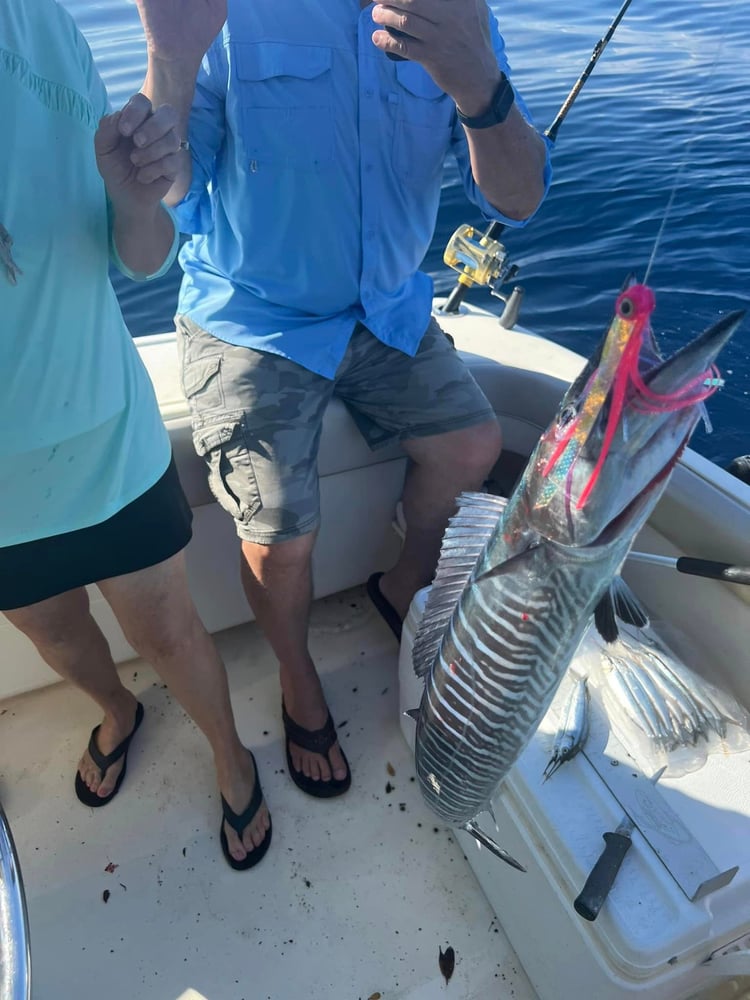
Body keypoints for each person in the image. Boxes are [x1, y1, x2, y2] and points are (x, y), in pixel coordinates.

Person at [135, 0, 551, 798]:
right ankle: (297, 676)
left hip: (387, 308)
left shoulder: (460, 11)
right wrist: (172, 64)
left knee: (471, 445)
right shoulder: (230, 10)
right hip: (252, 317)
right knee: (280, 527)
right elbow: (179, 198)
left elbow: (517, 200)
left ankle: (401, 588)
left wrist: (479, 85)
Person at [0, 0, 270, 871]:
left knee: (170, 629)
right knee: (55, 634)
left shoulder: (46, 25)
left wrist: (133, 198)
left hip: (107, 442)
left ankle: (231, 754)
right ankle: (117, 712)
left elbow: (142, 254)